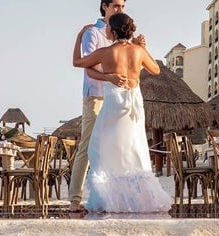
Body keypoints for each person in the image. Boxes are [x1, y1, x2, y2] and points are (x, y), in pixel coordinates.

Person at [72, 13, 172, 213]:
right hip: (134, 105)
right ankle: (137, 200)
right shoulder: (138, 51)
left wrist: (79, 36)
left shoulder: (105, 52)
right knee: (134, 148)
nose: (106, 30)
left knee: (102, 148)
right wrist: (143, 48)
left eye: (108, 27)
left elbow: (78, 62)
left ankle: (111, 199)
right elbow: (156, 70)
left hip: (113, 105)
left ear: (114, 31)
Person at [67, 0, 129, 214]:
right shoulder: (92, 33)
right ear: (104, 6)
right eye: (116, 6)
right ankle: (75, 199)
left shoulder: (123, 34)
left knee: (112, 148)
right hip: (95, 96)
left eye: (122, 7)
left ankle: (108, 197)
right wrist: (109, 77)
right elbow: (87, 66)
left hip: (116, 97)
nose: (119, 10)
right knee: (87, 146)